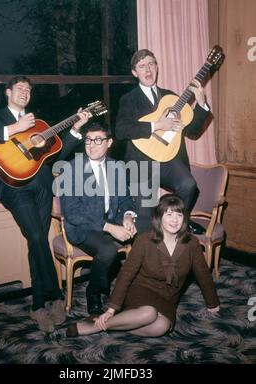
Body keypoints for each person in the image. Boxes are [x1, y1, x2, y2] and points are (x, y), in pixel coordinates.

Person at [0, 76, 91, 332]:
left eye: (28, 89)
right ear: (8, 92)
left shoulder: (39, 123)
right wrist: (14, 129)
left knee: (34, 243)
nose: (25, 92)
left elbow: (57, 153)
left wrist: (75, 129)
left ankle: (38, 306)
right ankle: (56, 295)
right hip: (14, 188)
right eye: (20, 88)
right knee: (38, 237)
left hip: (42, 187)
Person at [66, 194, 220, 338]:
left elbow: (203, 275)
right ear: (159, 217)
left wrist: (212, 303)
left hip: (168, 299)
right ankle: (96, 326)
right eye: (169, 214)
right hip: (141, 290)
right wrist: (111, 309)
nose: (175, 220)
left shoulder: (191, 243)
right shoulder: (145, 240)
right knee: (149, 313)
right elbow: (126, 275)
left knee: (162, 326)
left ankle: (116, 324)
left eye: (179, 215)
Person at [115, 49, 211, 233]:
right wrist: (158, 124)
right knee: (143, 221)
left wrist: (201, 104)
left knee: (188, 185)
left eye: (151, 64)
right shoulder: (128, 99)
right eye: (142, 66)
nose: (148, 70)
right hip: (142, 162)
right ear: (135, 73)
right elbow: (121, 130)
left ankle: (172, 224)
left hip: (169, 159)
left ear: (157, 67)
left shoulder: (171, 97)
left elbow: (192, 131)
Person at [59, 122, 137, 315]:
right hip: (82, 228)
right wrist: (109, 228)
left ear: (109, 142)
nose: (91, 145)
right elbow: (73, 213)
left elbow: (126, 198)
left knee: (148, 234)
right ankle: (94, 292)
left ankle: (136, 289)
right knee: (108, 250)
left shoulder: (116, 166)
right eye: (88, 140)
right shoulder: (71, 169)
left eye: (98, 140)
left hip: (111, 221)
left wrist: (128, 216)